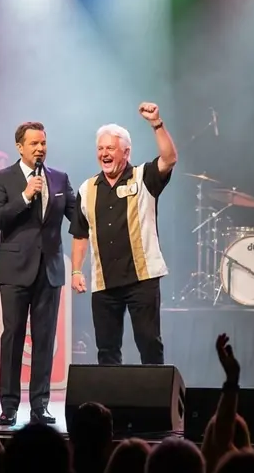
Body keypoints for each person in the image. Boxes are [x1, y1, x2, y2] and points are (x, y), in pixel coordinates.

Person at [70, 102, 178, 365]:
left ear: (126, 152)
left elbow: (169, 158)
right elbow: (80, 234)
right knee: (107, 350)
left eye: (110, 148)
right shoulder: (86, 189)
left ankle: (155, 402)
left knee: (149, 343)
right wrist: (75, 271)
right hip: (104, 283)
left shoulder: (143, 177)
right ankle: (109, 405)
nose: (104, 153)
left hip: (142, 279)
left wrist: (156, 123)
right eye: (100, 148)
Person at [0, 121, 77, 426]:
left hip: (49, 270)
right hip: (14, 270)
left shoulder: (60, 178)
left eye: (43, 143)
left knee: (45, 338)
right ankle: (9, 406)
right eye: (34, 144)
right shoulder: (2, 179)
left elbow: (77, 217)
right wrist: (25, 196)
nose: (40, 148)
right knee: (12, 337)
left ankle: (40, 405)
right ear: (20, 147)